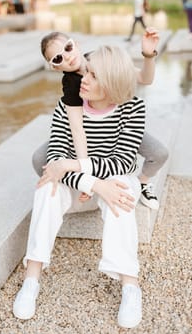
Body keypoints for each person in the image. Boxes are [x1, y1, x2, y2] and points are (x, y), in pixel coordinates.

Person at [13, 44, 146, 329]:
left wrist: (77, 167)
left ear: (111, 82)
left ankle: (130, 286)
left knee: (121, 189)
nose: (84, 78)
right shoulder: (67, 105)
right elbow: (55, 160)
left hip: (110, 180)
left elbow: (122, 161)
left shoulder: (133, 107)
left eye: (94, 76)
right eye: (87, 71)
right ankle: (31, 280)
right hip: (82, 187)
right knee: (47, 187)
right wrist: (93, 184)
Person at [32, 29, 168, 210]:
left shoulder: (98, 59)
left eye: (68, 48)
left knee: (159, 153)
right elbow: (77, 129)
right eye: (57, 58)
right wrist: (87, 177)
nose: (67, 57)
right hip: (86, 127)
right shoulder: (71, 85)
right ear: (55, 67)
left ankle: (142, 182)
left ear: (76, 44)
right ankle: (71, 187)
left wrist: (148, 55)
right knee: (40, 158)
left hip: (115, 123)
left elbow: (145, 78)